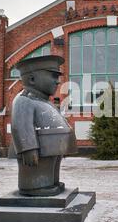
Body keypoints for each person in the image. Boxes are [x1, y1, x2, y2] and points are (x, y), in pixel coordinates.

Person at [11, 55, 77, 196]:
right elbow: (20, 127)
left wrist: (62, 145)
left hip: (50, 148)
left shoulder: (44, 101)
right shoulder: (24, 100)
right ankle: (34, 186)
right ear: (32, 79)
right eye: (53, 76)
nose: (58, 81)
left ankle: (51, 182)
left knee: (52, 165)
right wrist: (28, 148)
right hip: (36, 151)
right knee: (37, 168)